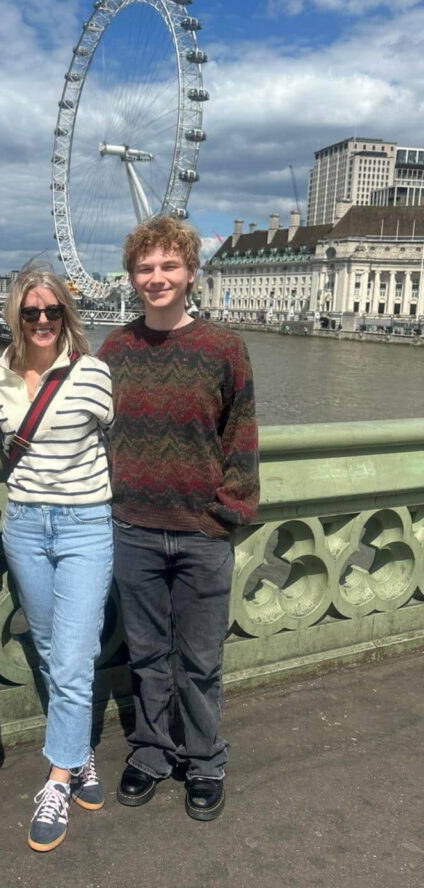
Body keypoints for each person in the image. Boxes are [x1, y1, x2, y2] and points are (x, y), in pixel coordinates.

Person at [98, 215, 259, 823]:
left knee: (199, 658)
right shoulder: (116, 348)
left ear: (191, 272)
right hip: (133, 527)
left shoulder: (224, 347)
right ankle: (152, 751)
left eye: (169, 266)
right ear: (133, 278)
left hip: (203, 531)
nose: (157, 277)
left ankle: (205, 759)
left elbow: (241, 433)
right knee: (145, 654)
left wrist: (229, 512)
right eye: (146, 268)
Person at [0, 269, 113, 852]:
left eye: (52, 312)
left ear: (67, 316)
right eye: (31, 313)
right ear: (15, 315)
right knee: (46, 646)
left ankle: (58, 778)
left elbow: (124, 444)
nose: (41, 322)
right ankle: (81, 753)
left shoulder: (93, 374)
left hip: (87, 523)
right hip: (26, 525)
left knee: (75, 653)